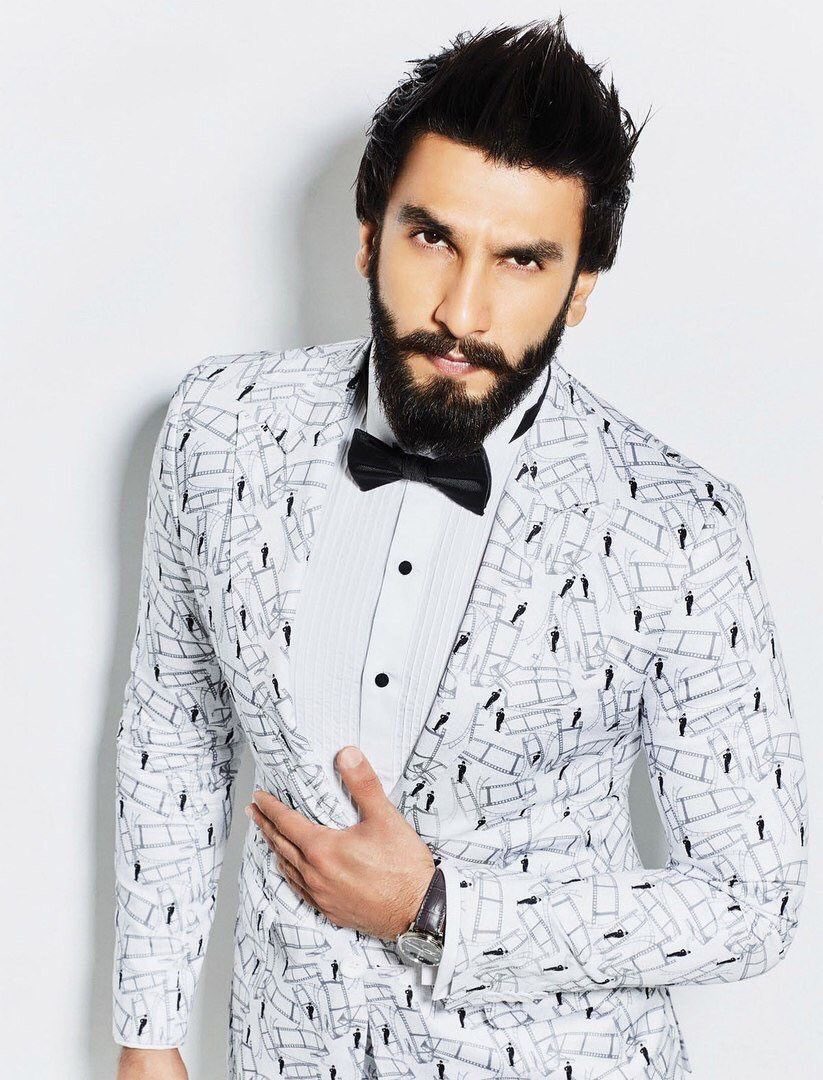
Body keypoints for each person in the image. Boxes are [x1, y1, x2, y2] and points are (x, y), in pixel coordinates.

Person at [113, 17, 807, 1079]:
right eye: (431, 238)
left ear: (580, 286)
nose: (461, 309)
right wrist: (149, 1031)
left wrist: (440, 908)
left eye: (523, 260)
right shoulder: (223, 426)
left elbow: (754, 900)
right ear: (369, 233)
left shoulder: (676, 525)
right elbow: (177, 724)